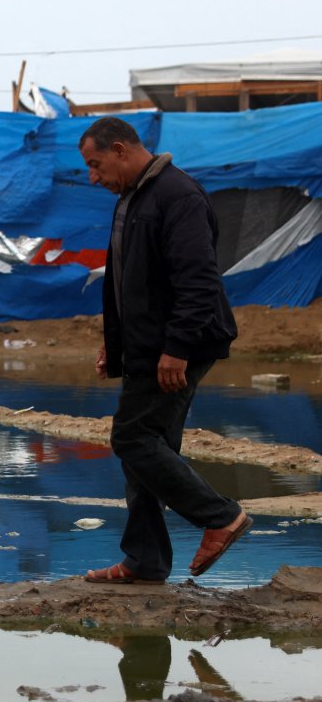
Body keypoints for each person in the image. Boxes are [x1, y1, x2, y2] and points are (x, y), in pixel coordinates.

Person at [78, 117, 249, 585]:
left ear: (120, 149)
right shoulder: (132, 198)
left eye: (95, 165)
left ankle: (220, 516)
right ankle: (146, 561)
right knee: (149, 448)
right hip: (148, 345)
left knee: (131, 439)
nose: (94, 177)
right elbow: (128, 283)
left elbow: (198, 280)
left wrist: (177, 349)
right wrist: (115, 347)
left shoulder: (178, 195)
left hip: (178, 345)